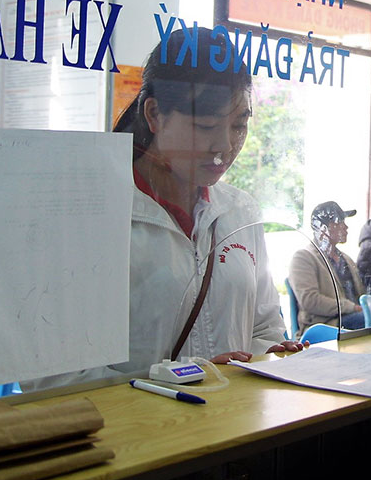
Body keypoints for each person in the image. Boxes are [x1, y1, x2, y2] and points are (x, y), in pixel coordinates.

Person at [113, 27, 304, 369]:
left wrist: (271, 354)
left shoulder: (240, 210)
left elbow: (264, 326)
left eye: (238, 126)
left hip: (234, 420)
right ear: (154, 114)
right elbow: (59, 377)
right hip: (142, 422)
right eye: (205, 126)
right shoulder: (103, 212)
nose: (224, 147)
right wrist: (181, 376)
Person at [289, 201, 366, 334]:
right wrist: (352, 307)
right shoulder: (303, 258)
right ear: (323, 228)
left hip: (352, 320)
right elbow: (310, 300)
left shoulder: (346, 259)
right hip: (325, 326)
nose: (346, 227)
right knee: (369, 320)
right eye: (340, 222)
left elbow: (361, 293)